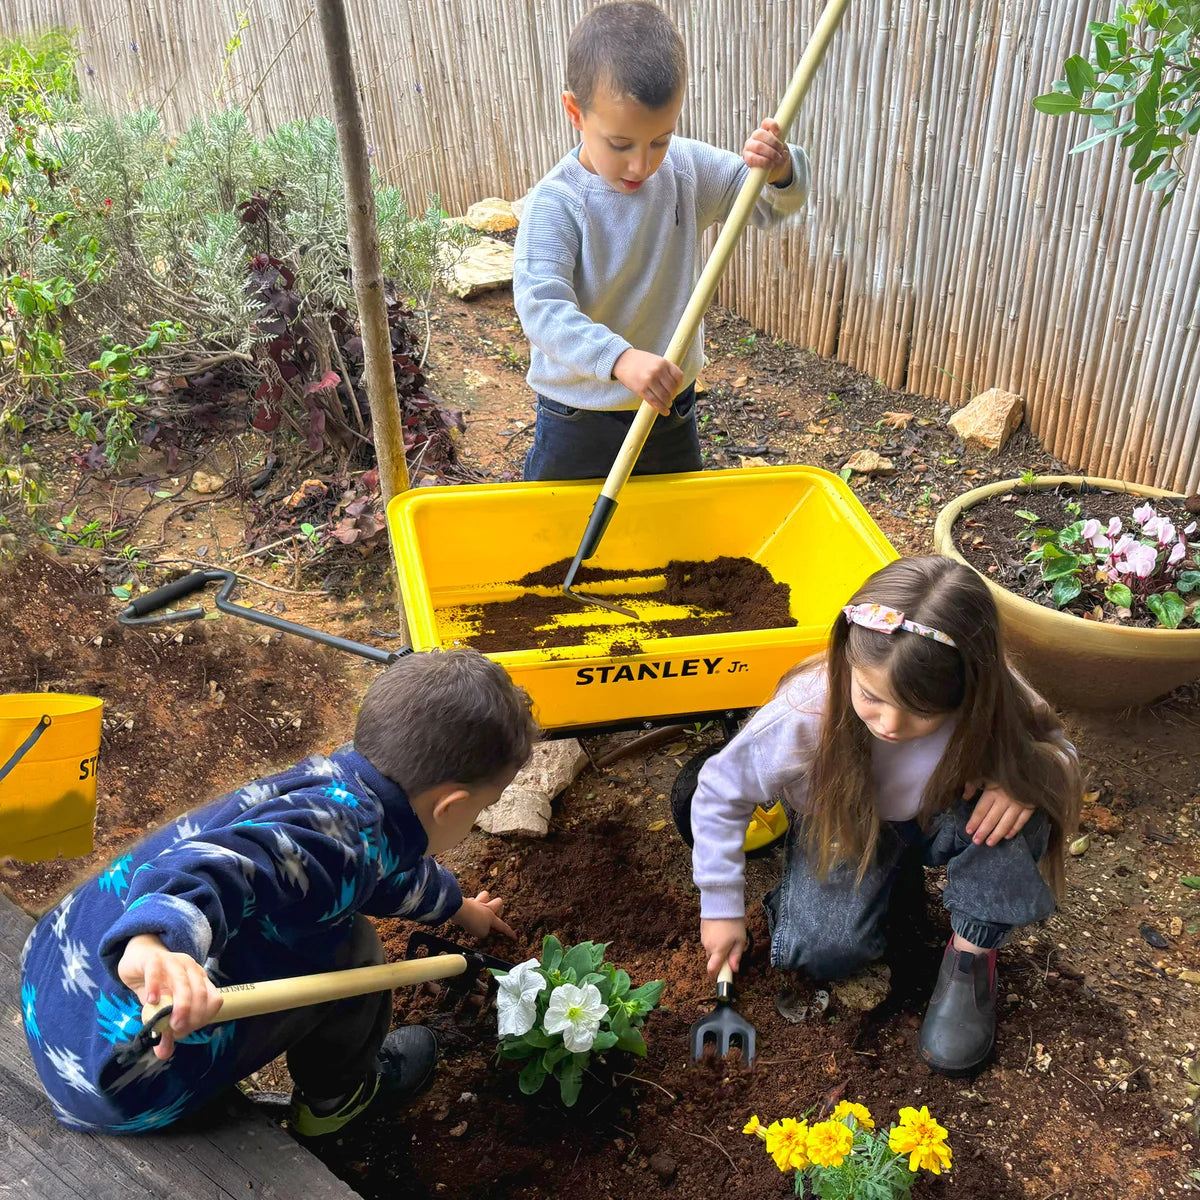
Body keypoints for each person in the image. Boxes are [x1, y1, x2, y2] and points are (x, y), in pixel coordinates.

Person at [20, 649, 536, 1135]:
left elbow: (383, 871)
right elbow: (211, 870)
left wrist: (459, 908)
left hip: (51, 974)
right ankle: (336, 1101)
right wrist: (153, 943)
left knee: (330, 913)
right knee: (357, 954)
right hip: (117, 1072)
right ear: (450, 807)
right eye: (483, 810)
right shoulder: (338, 843)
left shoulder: (338, 790)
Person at [686, 556, 1082, 1076]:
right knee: (823, 952)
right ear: (848, 661)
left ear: (971, 690)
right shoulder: (808, 710)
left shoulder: (992, 693)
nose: (890, 724)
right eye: (871, 697)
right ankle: (873, 889)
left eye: (920, 711)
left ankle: (969, 962)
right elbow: (718, 791)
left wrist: (1026, 782)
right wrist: (720, 906)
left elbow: (1060, 752)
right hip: (843, 824)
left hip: (940, 816)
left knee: (1012, 811)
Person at [514, 0, 811, 481]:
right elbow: (542, 308)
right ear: (574, 111)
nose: (641, 165)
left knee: (676, 541)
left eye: (660, 140)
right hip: (579, 415)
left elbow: (759, 203)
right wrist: (619, 358)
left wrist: (778, 171)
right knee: (562, 537)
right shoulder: (558, 202)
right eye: (620, 144)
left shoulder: (686, 170)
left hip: (669, 409)